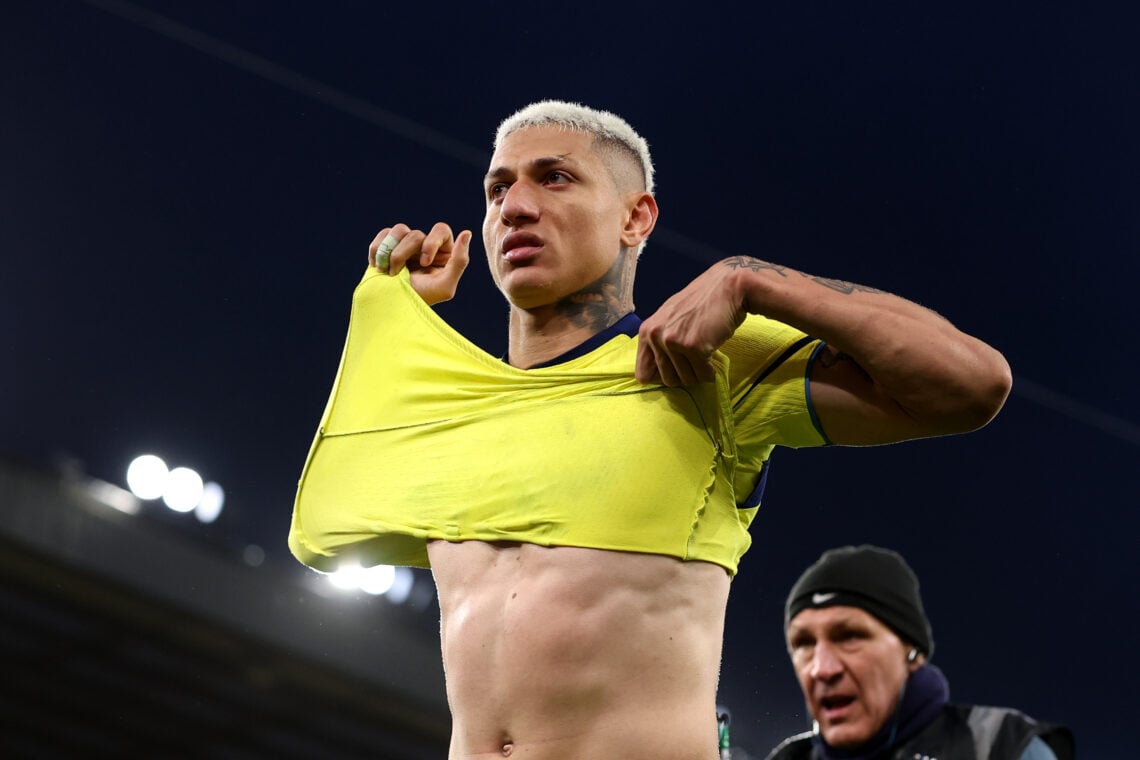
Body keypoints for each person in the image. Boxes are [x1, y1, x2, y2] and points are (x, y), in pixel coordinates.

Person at [288, 100, 1013, 760]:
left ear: (636, 218)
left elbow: (972, 384)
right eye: (498, 189)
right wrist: (403, 324)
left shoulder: (699, 365)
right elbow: (323, 533)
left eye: (555, 179)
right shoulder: (457, 407)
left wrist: (751, 280)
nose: (516, 207)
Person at [767, 545, 1074, 760]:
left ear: (912, 651)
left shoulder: (1000, 747)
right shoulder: (788, 758)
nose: (821, 668)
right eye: (804, 643)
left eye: (850, 636)